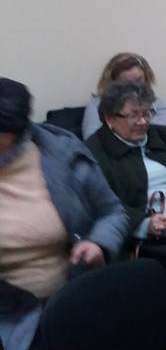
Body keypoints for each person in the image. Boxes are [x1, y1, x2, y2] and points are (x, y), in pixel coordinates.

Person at [1, 78, 126, 350]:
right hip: (9, 319)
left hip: (72, 300)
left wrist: (98, 243)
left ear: (19, 131)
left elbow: (112, 211)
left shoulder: (62, 152)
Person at [86, 81, 166, 242]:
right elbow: (101, 203)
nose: (143, 122)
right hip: (143, 235)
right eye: (134, 115)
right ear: (110, 118)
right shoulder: (94, 152)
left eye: (147, 113)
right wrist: (144, 224)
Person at [81, 52, 166, 139]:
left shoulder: (155, 103)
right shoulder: (97, 104)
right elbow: (92, 140)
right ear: (113, 83)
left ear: (146, 78)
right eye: (127, 82)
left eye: (138, 80)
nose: (134, 87)